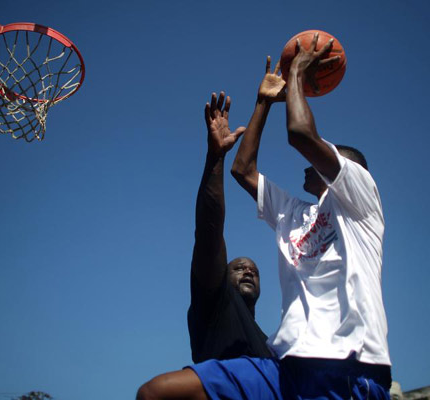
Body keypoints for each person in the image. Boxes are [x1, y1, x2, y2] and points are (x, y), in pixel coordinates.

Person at [137, 33, 392, 400]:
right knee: (157, 392)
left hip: (348, 367)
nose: (312, 161)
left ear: (347, 169)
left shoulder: (360, 202)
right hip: (285, 366)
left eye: (326, 156)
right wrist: (264, 102)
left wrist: (299, 77)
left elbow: (301, 134)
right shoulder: (296, 215)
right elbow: (243, 170)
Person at [136, 90, 273, 400]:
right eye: (238, 268)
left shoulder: (269, 345)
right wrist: (216, 158)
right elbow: (209, 234)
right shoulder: (215, 302)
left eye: (253, 270)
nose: (248, 271)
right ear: (223, 275)